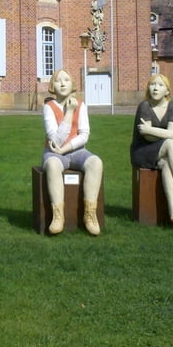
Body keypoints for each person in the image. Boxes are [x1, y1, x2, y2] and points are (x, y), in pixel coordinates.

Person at [129, 73, 173, 225]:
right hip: (142, 151)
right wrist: (158, 134)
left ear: (167, 91)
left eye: (160, 85)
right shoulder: (145, 106)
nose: (155, 88)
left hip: (160, 150)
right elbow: (147, 137)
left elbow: (172, 133)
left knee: (168, 161)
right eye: (152, 84)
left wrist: (150, 130)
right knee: (170, 144)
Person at [42, 69, 103, 235]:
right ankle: (58, 215)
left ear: (73, 85)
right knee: (53, 165)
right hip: (53, 153)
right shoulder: (49, 107)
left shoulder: (81, 105)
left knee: (95, 162)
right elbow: (55, 141)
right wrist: (69, 112)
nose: (62, 83)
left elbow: (84, 135)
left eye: (67, 80)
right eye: (58, 80)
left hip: (76, 151)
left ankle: (90, 214)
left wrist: (66, 149)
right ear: (52, 85)